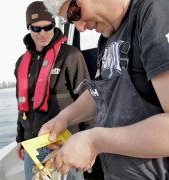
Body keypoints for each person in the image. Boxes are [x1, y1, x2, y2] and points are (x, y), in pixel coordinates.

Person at [39, 0, 169, 179]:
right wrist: (64, 118)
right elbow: (100, 93)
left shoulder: (154, 13)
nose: (80, 27)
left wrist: (94, 142)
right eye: (71, 21)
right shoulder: (107, 38)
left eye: (74, 13)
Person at [14, 1, 92, 179]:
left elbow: (89, 99)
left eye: (47, 27)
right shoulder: (21, 63)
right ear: (29, 28)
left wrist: (89, 141)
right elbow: (21, 105)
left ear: (54, 25)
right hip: (32, 147)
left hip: (65, 145)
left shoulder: (72, 56)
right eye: (36, 28)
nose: (42, 33)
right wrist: (20, 139)